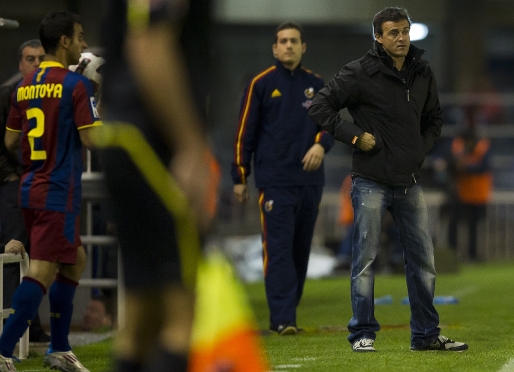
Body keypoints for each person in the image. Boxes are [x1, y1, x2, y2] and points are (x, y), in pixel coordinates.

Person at [308, 7, 468, 352]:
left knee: (423, 262)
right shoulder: (358, 73)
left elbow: (435, 119)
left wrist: (418, 150)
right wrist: (354, 136)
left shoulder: (423, 71)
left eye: (405, 32)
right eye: (393, 33)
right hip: (370, 179)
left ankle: (426, 336)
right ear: (378, 37)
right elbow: (320, 106)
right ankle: (362, 333)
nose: (401, 38)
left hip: (410, 179)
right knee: (364, 260)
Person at [99, 0, 218, 371]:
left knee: (142, 317)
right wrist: (189, 145)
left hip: (125, 136)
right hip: (150, 140)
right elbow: (149, 43)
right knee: (180, 317)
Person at [1, 10, 101, 372]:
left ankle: (59, 348)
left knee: (76, 260)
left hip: (31, 187)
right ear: (64, 42)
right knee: (42, 270)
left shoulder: (24, 86)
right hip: (57, 191)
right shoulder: (77, 86)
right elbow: (91, 138)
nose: (84, 44)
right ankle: (3, 348)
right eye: (80, 37)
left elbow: (11, 140)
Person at [231, 21, 334, 336]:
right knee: (277, 248)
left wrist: (320, 144)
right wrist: (240, 175)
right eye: (282, 41)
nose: (288, 45)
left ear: (303, 47)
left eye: (294, 41)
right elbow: (244, 133)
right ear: (275, 48)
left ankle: (289, 311)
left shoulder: (318, 85)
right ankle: (282, 318)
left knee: (300, 249)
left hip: (310, 183)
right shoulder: (261, 85)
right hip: (274, 181)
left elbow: (332, 124)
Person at [0, 39, 51, 344]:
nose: (35, 63)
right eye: (29, 59)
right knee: (15, 250)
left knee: (39, 254)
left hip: (39, 182)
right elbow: (3, 144)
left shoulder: (51, 95)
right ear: (20, 64)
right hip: (14, 183)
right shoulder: (7, 96)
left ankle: (30, 324)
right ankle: (15, 329)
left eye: (40, 59)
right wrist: (13, 175)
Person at [448, 128, 492, 261]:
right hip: (463, 194)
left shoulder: (483, 147)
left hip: (479, 195)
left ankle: (473, 255)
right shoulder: (460, 149)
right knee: (456, 224)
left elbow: (483, 167)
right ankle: (453, 255)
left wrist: (465, 167)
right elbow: (451, 164)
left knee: (475, 227)